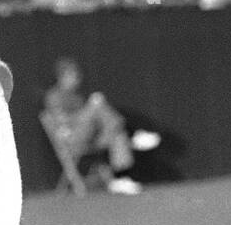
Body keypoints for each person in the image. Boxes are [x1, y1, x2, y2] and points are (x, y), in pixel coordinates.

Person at [42, 57, 160, 195]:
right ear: (62, 76)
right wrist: (89, 109)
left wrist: (90, 112)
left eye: (77, 75)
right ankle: (133, 137)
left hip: (89, 138)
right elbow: (64, 123)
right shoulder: (53, 96)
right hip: (72, 140)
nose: (77, 79)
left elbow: (92, 123)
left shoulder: (77, 97)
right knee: (97, 103)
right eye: (73, 75)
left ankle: (120, 179)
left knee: (117, 134)